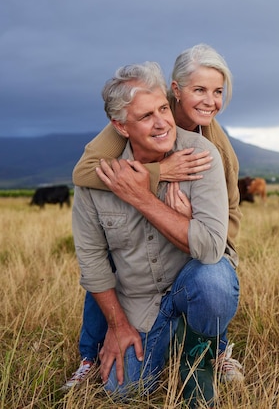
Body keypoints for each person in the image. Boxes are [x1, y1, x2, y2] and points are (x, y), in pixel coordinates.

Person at [64, 43, 244, 390]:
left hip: (205, 241)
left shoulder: (212, 148)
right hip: (139, 277)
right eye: (199, 90)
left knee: (212, 278)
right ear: (175, 90)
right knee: (109, 260)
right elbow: (84, 173)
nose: (209, 100)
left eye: (218, 91)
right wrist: (157, 172)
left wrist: (208, 236)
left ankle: (211, 352)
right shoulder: (133, 109)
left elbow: (230, 211)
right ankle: (91, 353)